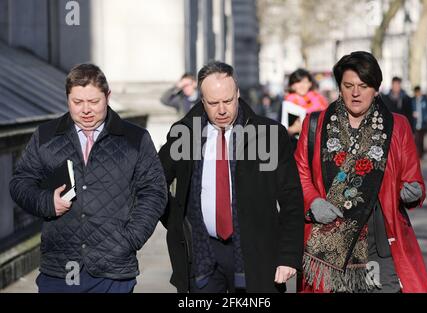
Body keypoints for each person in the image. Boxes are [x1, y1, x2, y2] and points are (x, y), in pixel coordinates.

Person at [9, 64, 168, 293]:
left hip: (114, 272)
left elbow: (154, 192)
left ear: (108, 96)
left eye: (94, 102)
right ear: (67, 99)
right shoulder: (45, 136)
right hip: (58, 270)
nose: (86, 110)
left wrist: (131, 239)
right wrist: (46, 202)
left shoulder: (136, 138)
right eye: (77, 102)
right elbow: (20, 183)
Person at [158, 61, 304, 293]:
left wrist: (288, 255)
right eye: (213, 103)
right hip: (202, 255)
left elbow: (292, 199)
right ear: (202, 100)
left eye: (227, 101)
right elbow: (154, 183)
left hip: (256, 253)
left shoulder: (270, 135)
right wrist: (176, 222)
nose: (222, 110)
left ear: (237, 93)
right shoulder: (184, 134)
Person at [295, 51, 427, 293]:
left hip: (380, 244)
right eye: (348, 86)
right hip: (328, 248)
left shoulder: (397, 126)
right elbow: (301, 174)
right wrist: (313, 201)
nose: (355, 93)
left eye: (363, 86)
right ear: (339, 87)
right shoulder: (315, 124)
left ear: (376, 89)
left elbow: (413, 178)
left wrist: (412, 192)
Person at [281, 69, 328, 150]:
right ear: (292, 85)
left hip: (318, 146)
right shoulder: (286, 104)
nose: (302, 85)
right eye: (298, 82)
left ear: (310, 84)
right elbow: (279, 131)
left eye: (305, 82)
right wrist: (292, 130)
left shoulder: (320, 101)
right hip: (294, 148)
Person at [411, 86, 427, 158]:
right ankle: (417, 155)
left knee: (421, 140)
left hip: (423, 124)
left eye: (419, 92)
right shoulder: (412, 101)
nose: (418, 94)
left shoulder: (426, 100)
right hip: (415, 124)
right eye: (416, 92)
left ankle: (421, 154)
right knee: (416, 140)